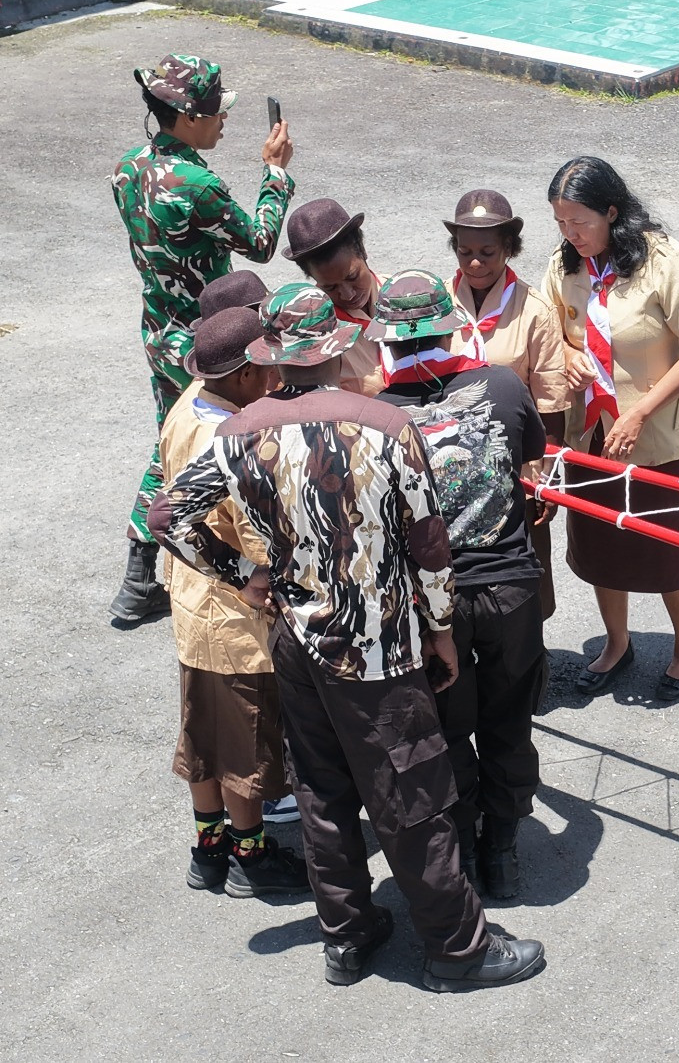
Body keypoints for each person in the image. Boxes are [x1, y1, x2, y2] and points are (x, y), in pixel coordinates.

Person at [148, 282, 545, 991]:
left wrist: (243, 574)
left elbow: (168, 516)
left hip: (296, 641)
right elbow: (429, 545)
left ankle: (348, 937)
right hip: (380, 643)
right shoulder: (384, 425)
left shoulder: (241, 432)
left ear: (275, 357)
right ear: (338, 346)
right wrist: (442, 631)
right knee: (415, 795)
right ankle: (458, 949)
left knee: (322, 794)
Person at [373, 269, 549, 899]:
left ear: (386, 342)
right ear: (449, 325)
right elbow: (528, 454)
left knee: (445, 725)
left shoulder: (373, 417)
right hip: (508, 586)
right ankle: (501, 849)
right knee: (509, 717)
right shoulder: (501, 384)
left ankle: (465, 847)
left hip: (429, 600)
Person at [109, 54, 294, 623]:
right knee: (237, 436)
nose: (223, 121)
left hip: (159, 332)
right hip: (209, 341)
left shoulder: (128, 168)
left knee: (169, 440)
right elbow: (260, 243)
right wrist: (276, 173)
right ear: (187, 115)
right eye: (215, 112)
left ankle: (141, 573)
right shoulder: (195, 183)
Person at [540, 157, 679, 700]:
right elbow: (553, 325)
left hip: (658, 438)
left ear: (612, 212)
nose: (572, 235)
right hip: (592, 433)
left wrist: (640, 409)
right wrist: (569, 354)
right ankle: (617, 643)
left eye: (582, 222)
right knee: (600, 544)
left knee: (670, 551)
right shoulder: (565, 265)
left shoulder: (666, 264)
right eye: (562, 224)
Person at [158, 305, 310, 899]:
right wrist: (255, 573)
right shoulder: (226, 435)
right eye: (267, 368)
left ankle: (209, 849)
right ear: (244, 375)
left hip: (194, 609)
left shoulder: (188, 401)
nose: (274, 378)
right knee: (245, 744)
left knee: (205, 735)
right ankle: (252, 856)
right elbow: (240, 526)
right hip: (233, 615)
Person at [444, 189, 574, 620]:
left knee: (522, 572)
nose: (475, 262)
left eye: (487, 251)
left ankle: (529, 662)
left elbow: (552, 402)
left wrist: (546, 478)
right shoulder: (440, 304)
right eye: (464, 252)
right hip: (453, 462)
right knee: (457, 573)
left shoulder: (534, 310)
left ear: (509, 249)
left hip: (516, 465)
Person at [283, 197, 388, 396]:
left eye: (352, 276)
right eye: (330, 287)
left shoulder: (406, 297)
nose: (348, 294)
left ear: (363, 251)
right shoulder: (312, 335)